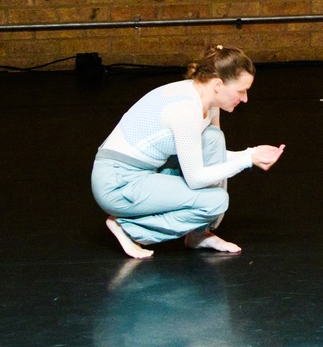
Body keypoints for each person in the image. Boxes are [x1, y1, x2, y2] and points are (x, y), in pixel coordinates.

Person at [91, 44, 285, 259]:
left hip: (147, 171)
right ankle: (128, 227)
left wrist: (252, 154)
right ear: (218, 84)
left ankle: (198, 235)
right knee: (216, 201)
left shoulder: (208, 100)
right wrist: (247, 160)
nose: (246, 98)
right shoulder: (186, 110)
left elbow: (212, 156)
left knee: (213, 138)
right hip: (118, 183)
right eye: (241, 91)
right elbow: (196, 178)